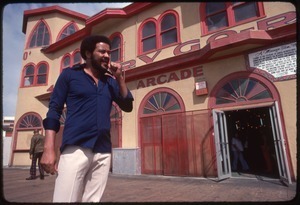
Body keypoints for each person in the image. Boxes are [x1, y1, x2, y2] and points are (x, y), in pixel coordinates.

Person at [40, 35, 134, 202]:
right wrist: (48, 148)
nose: (107, 55)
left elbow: (127, 105)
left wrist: (119, 77)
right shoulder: (69, 75)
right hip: (75, 148)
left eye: (109, 52)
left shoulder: (110, 82)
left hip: (103, 151)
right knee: (64, 200)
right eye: (102, 51)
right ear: (88, 54)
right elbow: (54, 111)